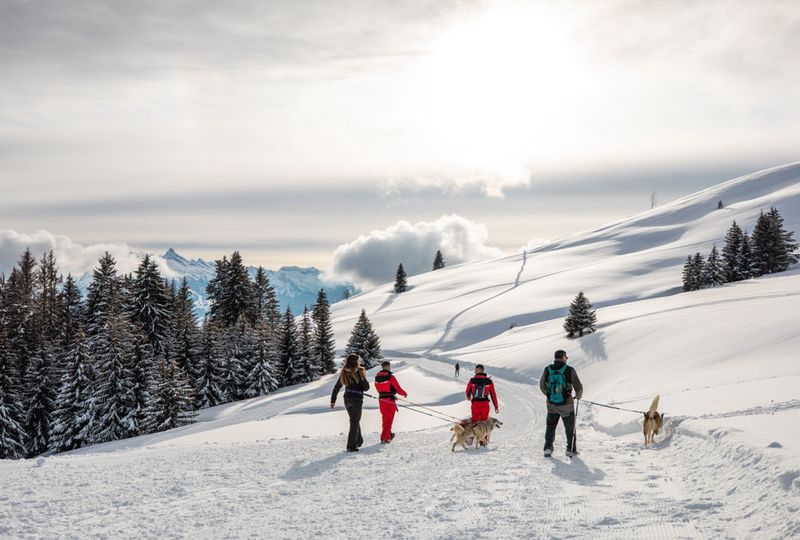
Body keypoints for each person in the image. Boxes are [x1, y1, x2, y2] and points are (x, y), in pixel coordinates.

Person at [539, 350, 583, 458]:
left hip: (551, 405)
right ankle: (570, 450)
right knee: (569, 428)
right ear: (563, 357)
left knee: (550, 426)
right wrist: (578, 396)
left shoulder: (547, 369)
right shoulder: (569, 370)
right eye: (566, 357)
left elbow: (542, 386)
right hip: (566, 405)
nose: (566, 358)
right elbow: (578, 387)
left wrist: (550, 395)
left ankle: (548, 448)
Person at [330, 353, 370, 452]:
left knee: (354, 420)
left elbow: (337, 387)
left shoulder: (344, 372)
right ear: (356, 362)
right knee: (354, 421)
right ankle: (351, 446)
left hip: (347, 399)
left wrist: (333, 401)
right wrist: (362, 380)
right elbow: (366, 387)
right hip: (356, 400)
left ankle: (358, 441)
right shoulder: (359, 371)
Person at [374, 361, 408, 444]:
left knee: (385, 419)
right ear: (388, 367)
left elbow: (378, 389)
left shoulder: (377, 377)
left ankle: (386, 436)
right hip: (390, 400)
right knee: (389, 420)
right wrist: (404, 393)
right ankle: (385, 438)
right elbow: (398, 388)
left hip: (381, 400)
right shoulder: (390, 377)